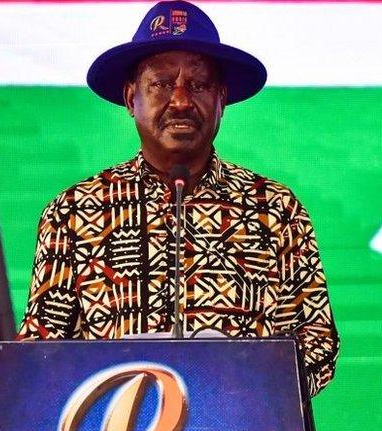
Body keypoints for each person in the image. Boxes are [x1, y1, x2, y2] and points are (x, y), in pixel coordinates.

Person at [17, 1, 339, 396]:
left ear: (221, 99)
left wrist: (249, 389)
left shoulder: (275, 208)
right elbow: (40, 349)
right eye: (163, 84)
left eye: (199, 85)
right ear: (130, 96)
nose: (182, 100)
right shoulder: (74, 212)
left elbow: (318, 339)